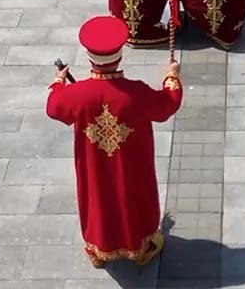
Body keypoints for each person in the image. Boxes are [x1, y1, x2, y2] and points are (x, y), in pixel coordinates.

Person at [47, 15, 182, 268]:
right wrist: (171, 76)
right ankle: (139, 249)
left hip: (94, 164)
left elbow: (54, 106)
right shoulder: (136, 92)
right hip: (131, 164)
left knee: (97, 199)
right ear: (119, 56)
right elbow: (168, 104)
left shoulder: (78, 94)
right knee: (133, 197)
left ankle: (98, 251)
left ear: (89, 57)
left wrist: (59, 80)